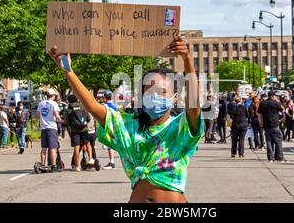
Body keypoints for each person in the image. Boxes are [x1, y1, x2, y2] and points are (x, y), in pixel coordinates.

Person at [48, 37, 203, 203]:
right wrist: (66, 68)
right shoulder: (126, 126)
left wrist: (187, 59)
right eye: (148, 90)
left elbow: (193, 103)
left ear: (174, 98)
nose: (154, 95)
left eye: (161, 91)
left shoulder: (181, 129)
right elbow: (92, 106)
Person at [66, 94, 96, 172]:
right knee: (87, 143)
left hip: (75, 131)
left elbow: (67, 122)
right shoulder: (82, 107)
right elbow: (88, 118)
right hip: (84, 129)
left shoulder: (69, 109)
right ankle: (90, 159)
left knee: (77, 147)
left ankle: (77, 166)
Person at [258, 91, 287, 163]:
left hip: (266, 125)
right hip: (275, 124)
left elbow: (259, 114)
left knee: (269, 141)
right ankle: (280, 158)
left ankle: (270, 158)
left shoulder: (262, 103)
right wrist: (277, 101)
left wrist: (261, 123)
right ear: (273, 96)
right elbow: (283, 109)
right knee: (278, 141)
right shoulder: (276, 103)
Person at [36, 89, 61, 171]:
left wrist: (44, 118)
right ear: (53, 96)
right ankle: (53, 165)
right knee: (52, 147)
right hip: (52, 127)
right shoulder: (54, 103)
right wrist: (60, 120)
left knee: (44, 148)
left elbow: (37, 115)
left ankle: (42, 165)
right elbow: (57, 116)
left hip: (43, 127)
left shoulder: (41, 103)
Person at [101, 90, 118, 170]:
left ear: (104, 97)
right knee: (112, 145)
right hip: (115, 127)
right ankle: (112, 161)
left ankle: (112, 162)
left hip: (108, 127)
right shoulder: (115, 106)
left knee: (110, 145)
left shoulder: (104, 106)